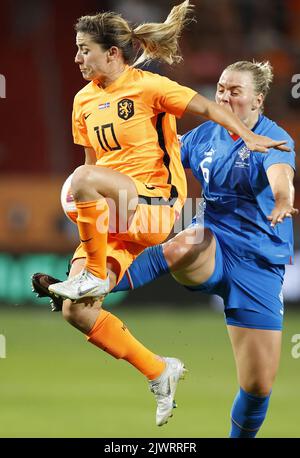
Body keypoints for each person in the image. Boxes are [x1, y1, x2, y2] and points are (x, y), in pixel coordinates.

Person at [36, 0, 290, 428]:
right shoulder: (87, 102)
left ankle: (95, 278)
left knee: (258, 386)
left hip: (243, 253)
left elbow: (281, 175)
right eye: (222, 88)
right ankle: (158, 369)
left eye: (234, 91)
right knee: (82, 308)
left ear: (258, 99)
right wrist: (90, 218)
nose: (223, 96)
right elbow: (101, 163)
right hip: (179, 230)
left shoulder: (268, 136)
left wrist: (281, 194)